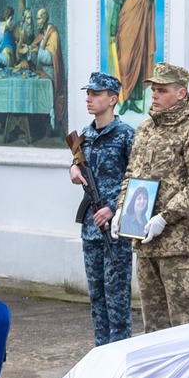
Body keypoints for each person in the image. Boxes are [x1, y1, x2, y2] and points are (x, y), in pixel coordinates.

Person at [122, 63, 189, 332]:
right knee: (153, 327)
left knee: (185, 326)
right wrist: (124, 212)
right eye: (153, 89)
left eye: (161, 90)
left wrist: (165, 218)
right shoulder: (146, 127)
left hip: (180, 246)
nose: (153, 95)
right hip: (146, 242)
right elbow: (132, 174)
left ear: (181, 93)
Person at [73, 72, 135, 346]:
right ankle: (101, 351)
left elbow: (137, 182)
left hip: (116, 230)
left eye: (96, 94)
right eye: (88, 93)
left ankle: (119, 354)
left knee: (117, 298)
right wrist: (73, 169)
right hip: (91, 230)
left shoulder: (126, 136)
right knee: (96, 297)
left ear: (112, 99)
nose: (89, 98)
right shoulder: (83, 136)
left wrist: (113, 208)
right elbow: (77, 162)